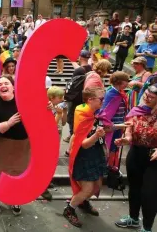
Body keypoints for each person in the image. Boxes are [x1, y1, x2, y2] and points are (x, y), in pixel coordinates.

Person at [114, 84, 157, 232]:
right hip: (136, 153)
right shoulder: (138, 110)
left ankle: (147, 227)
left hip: (154, 159)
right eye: (146, 95)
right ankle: (133, 218)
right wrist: (127, 137)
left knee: (149, 193)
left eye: (151, 98)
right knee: (135, 188)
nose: (146, 98)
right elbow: (129, 126)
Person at [63, 87, 108, 228]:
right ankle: (70, 209)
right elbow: (84, 144)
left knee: (97, 187)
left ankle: (83, 202)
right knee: (87, 189)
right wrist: (97, 135)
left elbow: (100, 129)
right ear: (90, 100)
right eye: (101, 99)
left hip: (95, 155)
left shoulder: (94, 113)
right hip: (84, 157)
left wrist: (104, 144)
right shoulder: (83, 114)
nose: (103, 101)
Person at [0, 75, 26, 215]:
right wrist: (8, 124)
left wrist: (49, 106)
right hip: (0, 143)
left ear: (13, 86)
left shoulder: (24, 100)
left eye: (6, 83)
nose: (3, 86)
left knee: (17, 172)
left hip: (22, 144)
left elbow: (39, 111)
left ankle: (14, 198)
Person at [98, 71, 130, 168]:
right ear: (120, 82)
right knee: (111, 147)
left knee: (114, 147)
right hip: (113, 127)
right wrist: (110, 126)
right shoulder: (112, 94)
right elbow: (105, 113)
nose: (127, 83)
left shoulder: (116, 92)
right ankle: (109, 167)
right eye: (126, 81)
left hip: (118, 125)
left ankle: (111, 165)